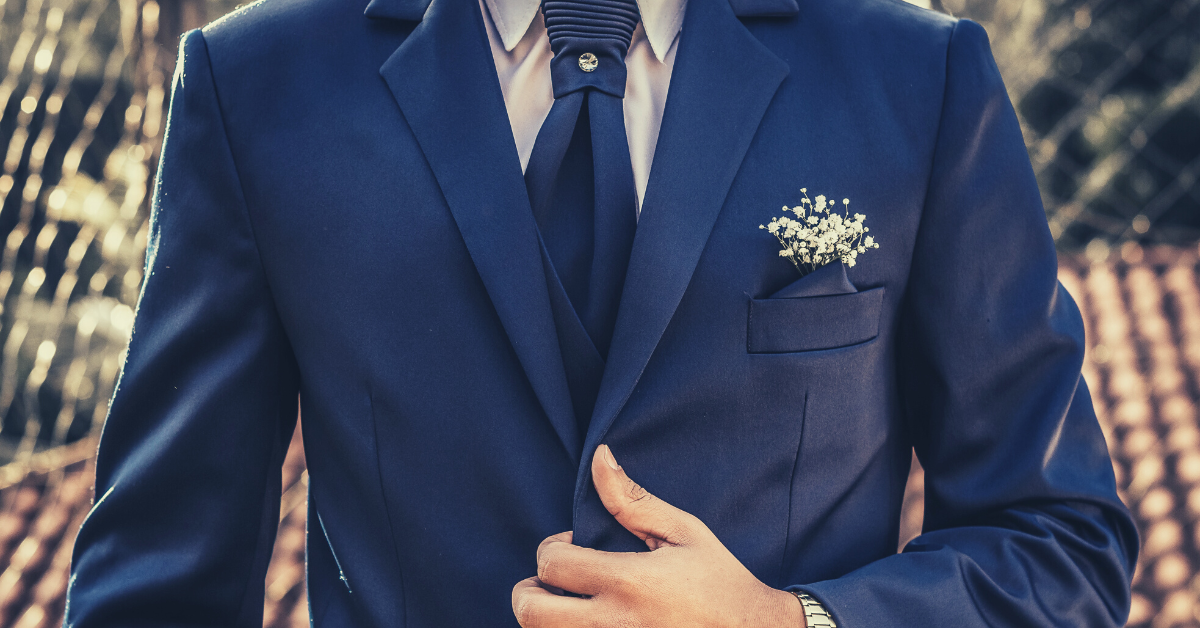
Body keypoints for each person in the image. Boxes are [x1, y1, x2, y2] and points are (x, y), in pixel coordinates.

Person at [64, 0, 1139, 624]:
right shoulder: (257, 85)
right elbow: (158, 578)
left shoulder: (916, 73)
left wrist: (789, 626)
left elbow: (1060, 544)